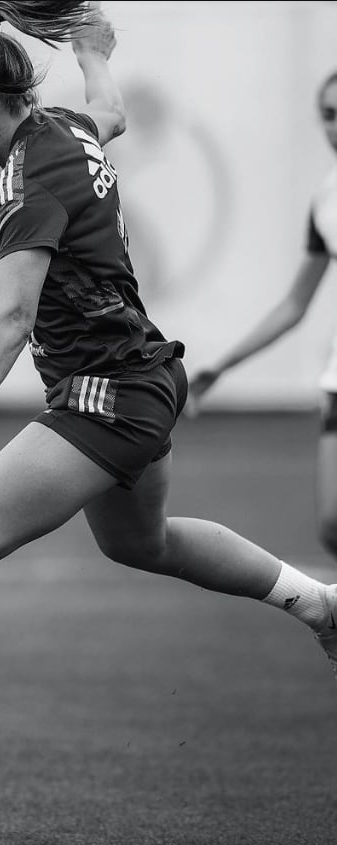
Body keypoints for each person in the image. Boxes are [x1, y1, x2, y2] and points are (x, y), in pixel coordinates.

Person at [0, 0, 337, 800]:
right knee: (140, 543)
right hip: (145, 378)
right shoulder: (64, 129)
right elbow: (111, 112)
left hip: (106, 393)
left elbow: (13, 315)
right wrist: (94, 54)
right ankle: (321, 602)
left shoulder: (27, 174)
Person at [188, 69, 337, 558]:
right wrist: (220, 366)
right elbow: (296, 304)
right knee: (334, 527)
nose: (336, 125)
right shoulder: (326, 198)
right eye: (329, 115)